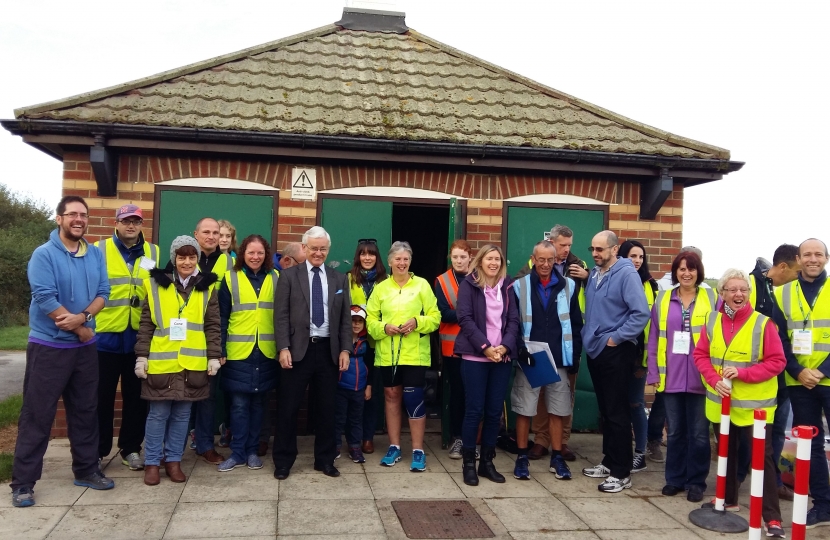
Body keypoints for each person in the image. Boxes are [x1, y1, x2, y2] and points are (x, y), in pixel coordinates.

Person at [10, 196, 113, 507]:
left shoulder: (95, 254)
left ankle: (86, 470)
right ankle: (23, 483)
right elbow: (44, 297)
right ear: (59, 219)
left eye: (83, 215)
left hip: (84, 350)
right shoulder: (44, 255)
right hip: (49, 347)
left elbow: (103, 293)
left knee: (85, 412)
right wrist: (82, 329)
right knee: (37, 415)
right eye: (72, 214)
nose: (78, 219)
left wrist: (84, 318)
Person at [695, 269, 786, 538]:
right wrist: (713, 380)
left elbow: (777, 362)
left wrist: (743, 374)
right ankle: (729, 499)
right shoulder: (712, 320)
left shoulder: (763, 323)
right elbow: (700, 355)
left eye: (743, 290)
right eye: (732, 290)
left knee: (762, 459)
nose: (738, 294)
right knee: (726, 453)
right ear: (722, 293)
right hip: (722, 402)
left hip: (755, 407)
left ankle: (772, 518)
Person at [134, 235, 221, 486]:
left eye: (191, 257)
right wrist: (141, 356)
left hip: (192, 364)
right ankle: (152, 462)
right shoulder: (155, 285)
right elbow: (146, 326)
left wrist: (214, 356)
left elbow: (213, 326)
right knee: (157, 415)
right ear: (174, 258)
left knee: (183, 416)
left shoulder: (207, 287)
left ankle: (173, 461)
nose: (187, 262)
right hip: (161, 363)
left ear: (197, 259)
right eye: (181, 257)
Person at [273, 226, 352, 480]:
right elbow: (281, 315)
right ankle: (283, 461)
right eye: (314, 248)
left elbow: (345, 321)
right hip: (297, 351)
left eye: (323, 249)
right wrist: (283, 347)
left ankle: (325, 460)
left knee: (327, 408)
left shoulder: (339, 279)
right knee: (288, 407)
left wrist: (345, 349)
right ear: (304, 248)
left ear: (328, 250)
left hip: (328, 350)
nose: (318, 253)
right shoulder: (289, 276)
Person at [581, 231, 650, 493]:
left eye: (600, 249)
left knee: (618, 412)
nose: (596, 253)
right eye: (593, 249)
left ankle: (622, 472)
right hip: (596, 349)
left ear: (615, 249)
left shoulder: (626, 273)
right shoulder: (597, 274)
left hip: (616, 351)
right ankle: (609, 462)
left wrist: (615, 339)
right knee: (607, 411)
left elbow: (640, 313)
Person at [508, 241, 583, 482]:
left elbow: (576, 324)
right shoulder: (518, 286)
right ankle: (521, 457)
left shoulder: (569, 286)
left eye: (550, 260)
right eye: (541, 259)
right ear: (533, 258)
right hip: (530, 357)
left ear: (556, 260)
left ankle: (557, 457)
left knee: (558, 410)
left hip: (560, 358)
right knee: (524, 409)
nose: (545, 264)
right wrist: (519, 349)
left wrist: (575, 357)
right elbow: (513, 323)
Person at [646, 251, 715, 502]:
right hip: (671, 375)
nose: (687, 273)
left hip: (702, 377)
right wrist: (652, 371)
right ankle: (674, 479)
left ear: (699, 272)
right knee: (674, 432)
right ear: (675, 272)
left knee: (698, 433)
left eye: (692, 269)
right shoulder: (663, 298)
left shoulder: (711, 297)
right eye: (682, 269)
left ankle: (696, 481)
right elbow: (653, 337)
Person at [94, 204, 158, 471]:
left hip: (138, 339)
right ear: (116, 223)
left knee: (136, 398)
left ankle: (130, 448)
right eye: (126, 221)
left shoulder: (152, 252)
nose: (131, 226)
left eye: (136, 221)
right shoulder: (99, 250)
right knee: (100, 398)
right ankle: (97, 452)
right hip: (104, 337)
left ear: (141, 224)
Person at [366, 241, 441, 472]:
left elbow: (435, 317)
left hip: (414, 354)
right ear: (389, 262)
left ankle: (418, 449)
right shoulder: (381, 288)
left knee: (413, 398)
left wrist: (417, 322)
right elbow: (369, 320)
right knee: (391, 396)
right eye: (397, 259)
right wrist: (384, 327)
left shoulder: (422, 285)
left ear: (410, 261)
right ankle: (394, 446)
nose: (402, 263)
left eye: (405, 259)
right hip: (388, 353)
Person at [772, 238, 830, 529]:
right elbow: (779, 339)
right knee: (812, 447)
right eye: (807, 254)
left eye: (818, 254)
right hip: (798, 382)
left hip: (827, 379)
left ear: (826, 258)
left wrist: (820, 371)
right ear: (798, 258)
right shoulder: (782, 294)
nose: (812, 259)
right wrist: (797, 371)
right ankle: (822, 506)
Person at [453, 244, 519, 485]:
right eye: (490, 259)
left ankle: (487, 464)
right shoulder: (469, 285)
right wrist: (486, 347)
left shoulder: (508, 286)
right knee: (474, 411)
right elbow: (465, 319)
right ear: (480, 261)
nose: (494, 263)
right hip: (475, 357)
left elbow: (513, 321)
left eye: (498, 260)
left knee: (494, 413)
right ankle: (468, 463)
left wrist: (505, 347)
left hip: (501, 358)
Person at [217, 234, 280, 472]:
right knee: (239, 406)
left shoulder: (276, 278)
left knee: (259, 405)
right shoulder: (229, 278)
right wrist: (220, 348)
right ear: (243, 253)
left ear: (266, 255)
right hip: (238, 352)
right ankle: (237, 453)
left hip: (266, 350)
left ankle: (253, 451)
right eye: (251, 252)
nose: (255, 257)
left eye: (260, 253)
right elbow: (221, 317)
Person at [528, 225, 589, 462]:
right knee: (542, 393)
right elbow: (523, 283)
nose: (566, 250)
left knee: (566, 396)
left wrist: (588, 277)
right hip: (541, 341)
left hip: (568, 341)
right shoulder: (535, 261)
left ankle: (561, 442)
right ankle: (541, 440)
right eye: (562, 245)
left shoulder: (581, 267)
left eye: (569, 245)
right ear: (551, 243)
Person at [749, 244, 799, 502]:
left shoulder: (794, 292)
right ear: (782, 267)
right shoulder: (751, 285)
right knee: (751, 431)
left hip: (785, 375)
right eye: (796, 271)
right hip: (756, 377)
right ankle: (739, 479)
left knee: (778, 429)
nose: (798, 276)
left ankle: (774, 481)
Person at [191, 217, 233, 464]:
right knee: (179, 392)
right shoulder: (183, 256)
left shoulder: (229, 261)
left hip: (213, 334)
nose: (211, 236)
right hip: (184, 336)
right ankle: (172, 447)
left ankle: (205, 445)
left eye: (215, 232)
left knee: (208, 393)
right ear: (196, 234)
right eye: (206, 232)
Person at [258, 242, 304, 455]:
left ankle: (264, 438)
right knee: (260, 395)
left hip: (288, 346)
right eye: (300, 265)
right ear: (287, 261)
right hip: (263, 344)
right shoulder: (270, 276)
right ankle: (259, 439)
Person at [619, 240, 658, 475]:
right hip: (616, 352)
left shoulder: (650, 286)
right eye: (633, 256)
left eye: (641, 257)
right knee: (617, 405)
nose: (637, 261)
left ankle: (640, 453)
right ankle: (619, 451)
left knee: (636, 403)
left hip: (639, 356)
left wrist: (647, 360)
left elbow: (654, 327)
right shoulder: (616, 280)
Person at [435, 239, 473, 459]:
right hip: (452, 349)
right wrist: (469, 314)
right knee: (458, 394)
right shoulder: (441, 281)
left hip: (478, 347)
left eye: (463, 256)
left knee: (474, 395)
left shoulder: (480, 277)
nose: (459, 261)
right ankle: (457, 438)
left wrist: (458, 313)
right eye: (455, 257)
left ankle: (471, 439)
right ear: (451, 257)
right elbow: (442, 313)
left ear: (470, 257)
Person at [335, 305, 373, 464]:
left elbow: (370, 365)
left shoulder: (366, 343)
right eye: (353, 321)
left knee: (356, 418)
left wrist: (369, 385)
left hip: (359, 388)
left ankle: (355, 446)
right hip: (341, 387)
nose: (356, 324)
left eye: (360, 321)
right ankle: (335, 445)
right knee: (338, 418)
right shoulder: (338, 341)